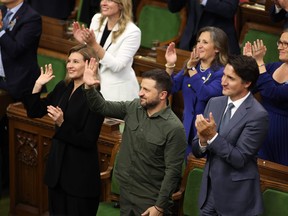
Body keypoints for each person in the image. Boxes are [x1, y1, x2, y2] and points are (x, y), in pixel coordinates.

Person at [82, 63, 187, 215]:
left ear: (162, 95)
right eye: (141, 88)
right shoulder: (134, 107)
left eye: (146, 90)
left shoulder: (174, 128)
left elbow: (173, 172)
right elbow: (101, 107)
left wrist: (159, 206)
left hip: (150, 199)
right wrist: (90, 87)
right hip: (126, 194)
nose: (140, 93)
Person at [22, 44, 105, 216]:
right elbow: (34, 111)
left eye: (76, 61)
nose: (69, 65)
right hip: (57, 174)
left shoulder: (95, 98)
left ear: (89, 64)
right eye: (68, 61)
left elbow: (88, 140)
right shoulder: (63, 87)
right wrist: (38, 85)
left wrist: (62, 123)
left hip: (79, 178)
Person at [192, 55, 269, 216]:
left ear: (247, 83)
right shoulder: (215, 103)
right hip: (209, 192)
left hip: (235, 199)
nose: (223, 81)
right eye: (224, 75)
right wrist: (202, 140)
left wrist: (212, 136)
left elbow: (239, 158)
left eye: (231, 78)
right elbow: (198, 151)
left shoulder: (258, 115)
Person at [165, 26, 228, 156]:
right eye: (198, 41)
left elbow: (205, 94)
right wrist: (170, 65)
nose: (199, 45)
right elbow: (170, 88)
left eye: (205, 42)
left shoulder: (222, 73)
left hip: (205, 136)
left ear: (217, 48)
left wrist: (192, 70)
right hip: (186, 130)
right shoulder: (192, 65)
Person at [0, 0, 41, 197]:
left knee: (14, 141)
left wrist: (0, 30)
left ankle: (15, 189)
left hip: (20, 87)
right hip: (1, 83)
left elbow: (17, 50)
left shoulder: (31, 17)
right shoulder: (1, 11)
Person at [73, 0, 140, 101]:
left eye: (109, 0)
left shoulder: (133, 32)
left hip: (117, 93)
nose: (103, 3)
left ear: (121, 5)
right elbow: (92, 54)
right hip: (93, 84)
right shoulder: (97, 19)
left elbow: (117, 66)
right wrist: (84, 43)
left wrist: (93, 44)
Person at [243, 34, 288, 166]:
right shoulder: (273, 67)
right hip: (261, 129)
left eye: (286, 44)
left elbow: (274, 93)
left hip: (284, 136)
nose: (280, 47)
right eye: (279, 42)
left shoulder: (264, 66)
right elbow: (250, 87)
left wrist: (259, 63)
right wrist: (250, 64)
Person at [167, 0, 240, 54]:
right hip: (190, 42)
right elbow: (173, 8)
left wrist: (204, 1)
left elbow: (229, 9)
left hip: (218, 45)